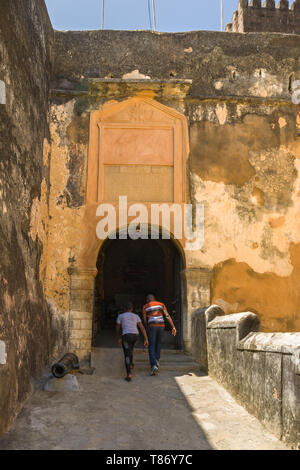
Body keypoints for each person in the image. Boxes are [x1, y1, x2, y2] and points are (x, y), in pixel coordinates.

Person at [142, 294, 176, 376]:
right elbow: (167, 315)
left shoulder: (145, 306)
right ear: (155, 299)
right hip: (161, 326)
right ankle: (156, 359)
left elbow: (144, 319)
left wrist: (146, 328)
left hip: (152, 326)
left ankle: (154, 365)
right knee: (159, 343)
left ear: (147, 300)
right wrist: (173, 327)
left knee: (151, 345)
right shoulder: (161, 304)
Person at [116, 301, 149, 382]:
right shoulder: (136, 316)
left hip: (126, 336)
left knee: (127, 354)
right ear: (132, 309)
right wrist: (146, 338)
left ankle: (129, 374)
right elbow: (141, 328)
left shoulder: (121, 316)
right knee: (131, 350)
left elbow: (117, 328)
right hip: (135, 336)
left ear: (124, 309)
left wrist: (119, 338)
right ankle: (131, 364)